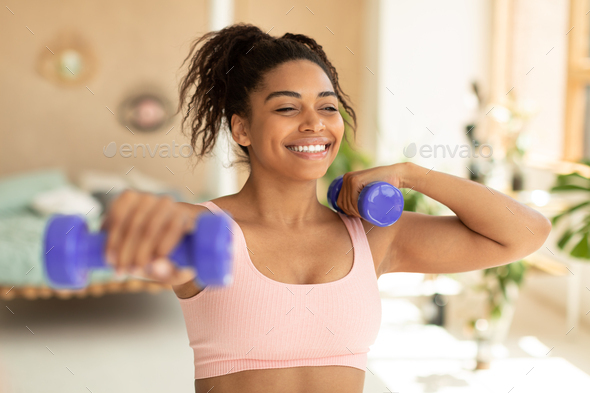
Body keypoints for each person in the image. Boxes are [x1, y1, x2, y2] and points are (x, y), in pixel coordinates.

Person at [100, 23, 552, 393]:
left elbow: (526, 232)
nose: (314, 123)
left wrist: (415, 175)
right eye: (286, 108)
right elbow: (101, 241)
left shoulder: (374, 236)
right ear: (242, 129)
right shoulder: (205, 232)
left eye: (328, 106)